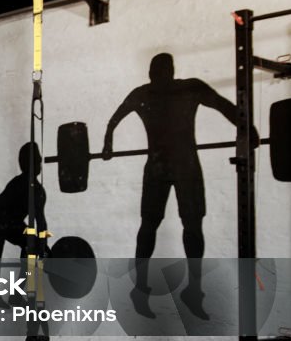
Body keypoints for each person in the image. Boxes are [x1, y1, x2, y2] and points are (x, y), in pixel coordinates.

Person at [102, 52, 256, 319]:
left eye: (160, 70)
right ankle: (141, 289)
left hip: (182, 166)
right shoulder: (146, 93)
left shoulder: (185, 88)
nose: (158, 75)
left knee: (191, 227)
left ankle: (192, 291)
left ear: (169, 71)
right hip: (162, 167)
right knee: (151, 226)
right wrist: (107, 144)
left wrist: (247, 128)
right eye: (155, 71)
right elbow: (114, 119)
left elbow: (224, 106)